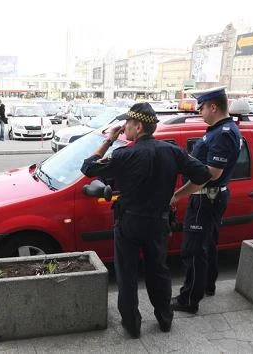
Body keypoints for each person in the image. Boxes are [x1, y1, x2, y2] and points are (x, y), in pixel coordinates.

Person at [81, 103, 211, 338]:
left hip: (128, 223)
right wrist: (178, 195)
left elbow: (88, 167)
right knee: (158, 271)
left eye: (127, 125)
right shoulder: (171, 151)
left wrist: (110, 140)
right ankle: (164, 319)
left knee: (127, 275)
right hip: (158, 223)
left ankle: (132, 324)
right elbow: (203, 175)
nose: (124, 129)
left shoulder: (124, 154)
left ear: (138, 126)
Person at [170, 87, 242, 314]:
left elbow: (211, 173)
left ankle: (189, 300)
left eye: (201, 108)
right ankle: (207, 285)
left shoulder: (222, 134)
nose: (200, 112)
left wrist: (177, 195)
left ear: (213, 106)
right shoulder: (223, 129)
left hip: (205, 200)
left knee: (193, 251)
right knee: (207, 245)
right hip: (212, 198)